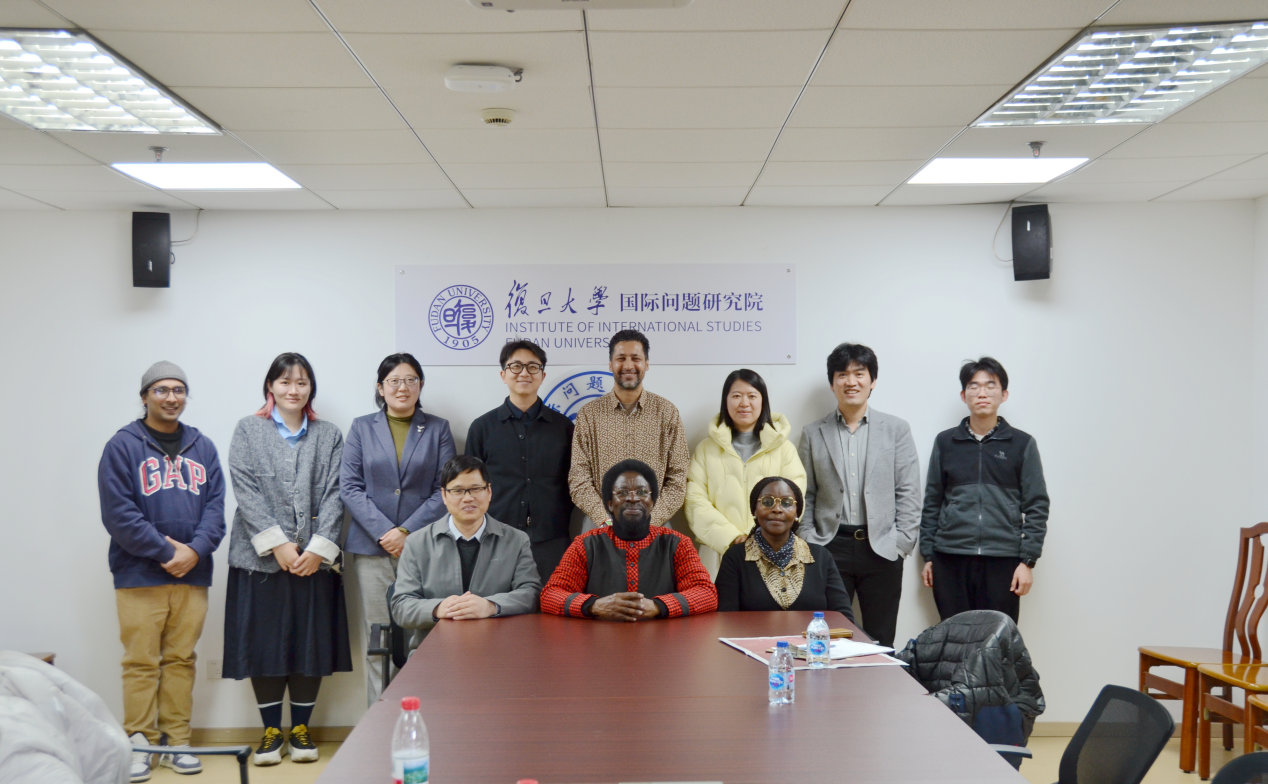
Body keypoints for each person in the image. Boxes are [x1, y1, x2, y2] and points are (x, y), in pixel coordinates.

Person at [98, 361, 225, 782]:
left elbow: (216, 510)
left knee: (181, 660)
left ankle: (176, 742)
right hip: (138, 575)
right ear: (145, 396)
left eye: (179, 390)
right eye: (162, 390)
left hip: (193, 576)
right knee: (141, 662)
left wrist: (195, 551)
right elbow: (119, 514)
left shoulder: (203, 446)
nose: (172, 397)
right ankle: (139, 742)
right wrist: (167, 552)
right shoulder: (122, 445)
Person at [224, 353, 351, 767]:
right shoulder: (248, 429)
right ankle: (270, 732)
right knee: (263, 645)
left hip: (315, 562)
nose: (293, 390)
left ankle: (300, 729)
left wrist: (317, 549)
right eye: (284, 382)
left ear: (311, 388)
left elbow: (336, 492)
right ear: (270, 386)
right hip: (259, 561)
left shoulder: (329, 435)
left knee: (308, 644)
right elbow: (245, 489)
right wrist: (277, 544)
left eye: (301, 382)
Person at [340, 353, 455, 704]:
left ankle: (422, 714)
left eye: (410, 380)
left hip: (422, 549)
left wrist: (405, 532)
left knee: (422, 634)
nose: (402, 387)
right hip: (371, 549)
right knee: (379, 638)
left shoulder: (438, 428)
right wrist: (385, 532)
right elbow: (350, 487)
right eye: (394, 381)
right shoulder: (362, 427)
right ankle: (379, 719)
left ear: (420, 385)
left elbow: (445, 488)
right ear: (381, 387)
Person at [797, 343, 921, 649]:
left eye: (859, 373)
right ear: (832, 383)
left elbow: (908, 490)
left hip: (882, 547)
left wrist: (901, 542)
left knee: (881, 638)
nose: (850, 381)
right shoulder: (813, 433)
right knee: (828, 636)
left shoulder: (896, 429)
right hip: (829, 546)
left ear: (872, 380)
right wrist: (810, 542)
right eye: (842, 374)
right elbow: (805, 494)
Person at [920, 357, 1049, 623]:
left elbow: (1037, 505)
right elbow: (932, 501)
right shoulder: (945, 442)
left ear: (1004, 394)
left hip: (1003, 559)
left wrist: (1027, 562)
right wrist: (929, 556)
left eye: (990, 386)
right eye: (974, 386)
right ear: (963, 395)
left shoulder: (1022, 444)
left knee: (996, 639)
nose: (982, 393)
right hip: (950, 558)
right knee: (955, 637)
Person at [542, 459, 717, 620]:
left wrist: (659, 606)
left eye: (642, 492)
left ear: (652, 502)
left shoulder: (677, 544)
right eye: (622, 492)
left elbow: (706, 593)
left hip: (663, 640)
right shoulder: (585, 545)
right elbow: (550, 595)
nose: (633, 498)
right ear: (610, 504)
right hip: (600, 640)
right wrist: (594, 606)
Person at [390, 455, 542, 636]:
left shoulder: (516, 540)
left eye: (476, 489)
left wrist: (490, 606)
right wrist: (439, 608)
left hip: (498, 646)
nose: (468, 498)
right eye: (458, 490)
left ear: (489, 492)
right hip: (436, 648)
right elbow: (401, 606)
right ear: (444, 495)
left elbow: (531, 594)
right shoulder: (417, 543)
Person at [465, 340, 574, 582]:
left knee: (552, 602)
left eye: (533, 367)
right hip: (496, 538)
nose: (524, 373)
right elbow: (470, 487)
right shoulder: (482, 428)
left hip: (552, 539)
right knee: (497, 603)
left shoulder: (563, 428)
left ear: (542, 375)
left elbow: (574, 483)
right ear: (503, 374)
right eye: (516, 366)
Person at [685, 369, 806, 576]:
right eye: (736, 396)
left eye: (752, 396)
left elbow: (794, 500)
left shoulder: (784, 449)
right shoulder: (706, 449)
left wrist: (759, 537)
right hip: (718, 553)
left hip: (772, 552)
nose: (744, 403)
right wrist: (733, 538)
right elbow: (694, 501)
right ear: (725, 401)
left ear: (763, 401)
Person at [569, 329, 689, 532]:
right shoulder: (589, 414)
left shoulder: (666, 412)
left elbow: (678, 477)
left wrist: (649, 521)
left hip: (654, 524)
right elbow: (578, 478)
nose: (628, 365)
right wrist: (605, 520)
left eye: (635, 358)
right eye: (621, 358)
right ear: (610, 364)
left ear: (646, 364)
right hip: (600, 524)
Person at [715, 477, 853, 618]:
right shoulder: (735, 557)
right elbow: (725, 619)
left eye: (786, 503)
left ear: (797, 512)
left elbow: (843, 617)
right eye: (767, 502)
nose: (777, 509)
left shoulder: (821, 557)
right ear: (754, 510)